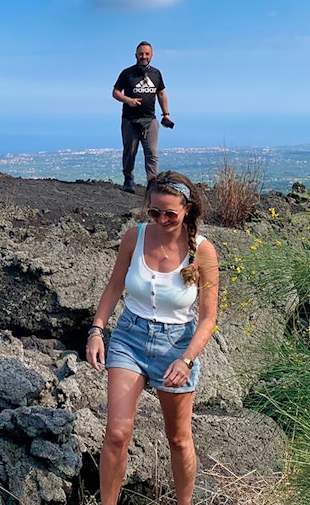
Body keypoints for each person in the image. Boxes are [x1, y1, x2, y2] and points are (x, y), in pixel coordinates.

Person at [85, 171, 219, 505]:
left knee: (178, 439)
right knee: (116, 433)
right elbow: (115, 285)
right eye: (154, 212)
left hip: (176, 346)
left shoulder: (203, 252)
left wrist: (187, 360)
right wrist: (97, 331)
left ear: (187, 210)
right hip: (130, 337)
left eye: (170, 213)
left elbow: (208, 318)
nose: (161, 220)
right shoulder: (135, 236)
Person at [112, 41, 172, 193]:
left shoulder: (156, 74)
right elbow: (115, 92)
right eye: (141, 54)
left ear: (151, 56)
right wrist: (128, 100)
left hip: (150, 120)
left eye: (146, 54)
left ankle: (152, 183)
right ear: (136, 55)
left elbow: (161, 93)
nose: (143, 56)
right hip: (130, 120)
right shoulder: (127, 73)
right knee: (129, 151)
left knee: (152, 154)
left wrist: (166, 114)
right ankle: (128, 180)